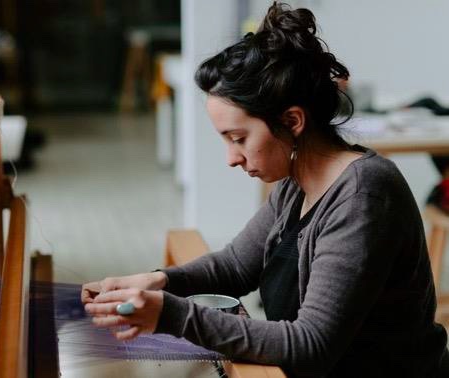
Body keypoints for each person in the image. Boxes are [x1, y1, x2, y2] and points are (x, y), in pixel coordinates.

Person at [81, 3, 449, 377]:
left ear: (292, 121)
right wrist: (161, 280)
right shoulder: (297, 184)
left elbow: (310, 344)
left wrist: (170, 313)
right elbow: (237, 266)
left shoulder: (363, 195)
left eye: (238, 139)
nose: (231, 158)